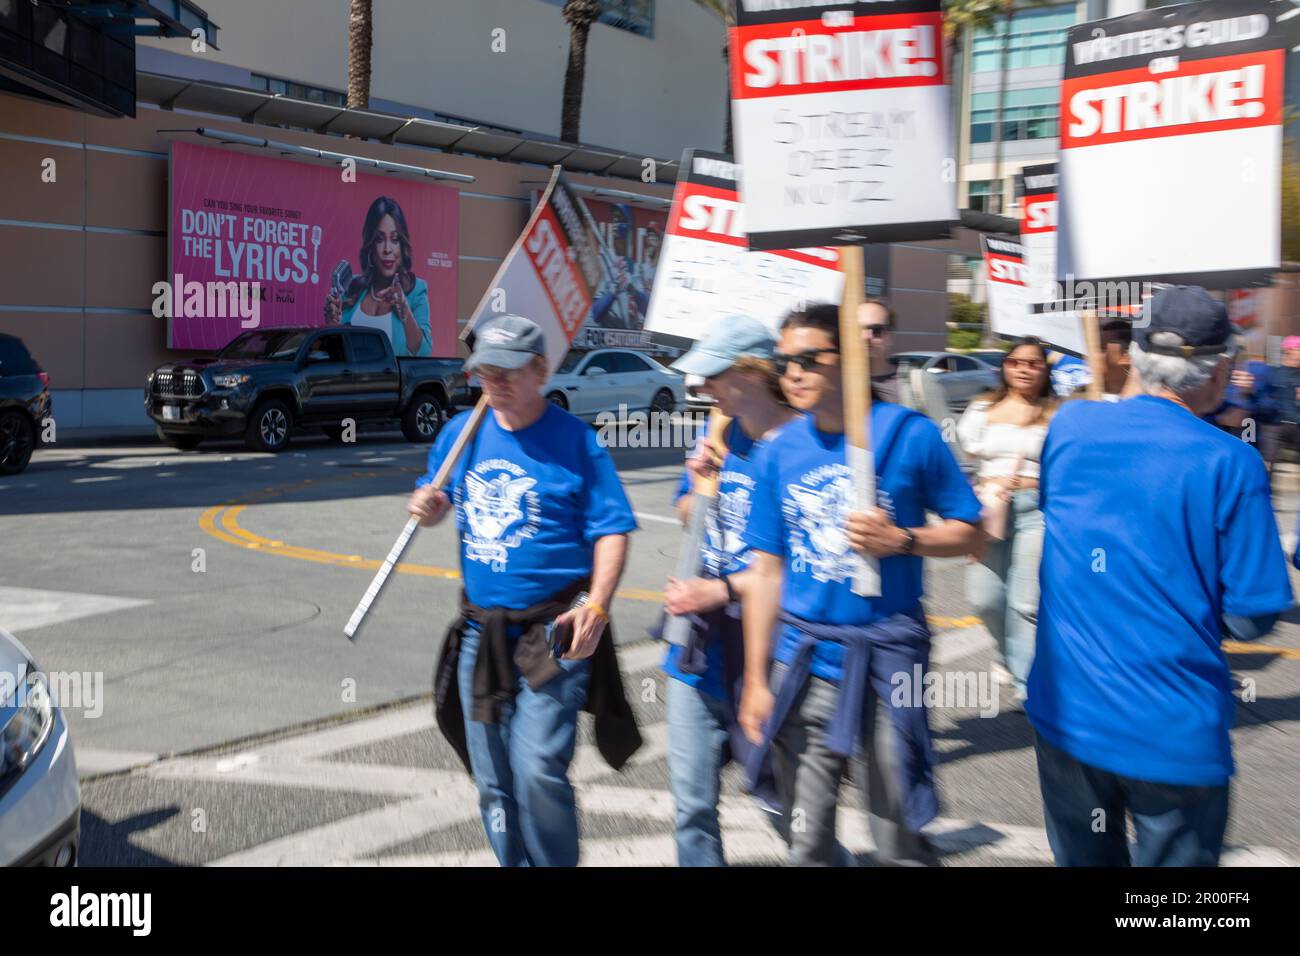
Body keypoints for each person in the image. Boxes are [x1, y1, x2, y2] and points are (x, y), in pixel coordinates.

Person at [1027, 286, 1293, 867]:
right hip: (1171, 729)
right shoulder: (1231, 461)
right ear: (1221, 368)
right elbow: (1251, 617)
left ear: (1137, 355)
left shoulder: (1070, 429)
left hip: (1067, 711)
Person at [737, 303, 982, 866]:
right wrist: (755, 678)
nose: (792, 373)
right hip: (805, 657)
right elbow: (765, 570)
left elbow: (971, 533)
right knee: (807, 836)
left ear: (849, 360)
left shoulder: (909, 434)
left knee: (897, 832)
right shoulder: (781, 451)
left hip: (890, 657)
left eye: (807, 359)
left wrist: (903, 541)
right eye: (784, 362)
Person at [409, 314, 641, 866]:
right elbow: (433, 500)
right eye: (485, 370)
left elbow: (611, 528)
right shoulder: (460, 434)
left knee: (537, 766)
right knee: (491, 779)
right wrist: (428, 508)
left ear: (542, 369)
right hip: (479, 633)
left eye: (509, 370)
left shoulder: (576, 441)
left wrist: (598, 604)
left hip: (552, 631)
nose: (495, 380)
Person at [655, 316, 797, 866]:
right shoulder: (714, 433)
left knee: (785, 809)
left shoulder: (798, 445)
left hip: (771, 648)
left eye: (713, 376)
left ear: (751, 372)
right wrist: (698, 483)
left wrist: (722, 592)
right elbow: (689, 516)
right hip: (698, 645)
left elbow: (794, 566)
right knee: (692, 806)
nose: (703, 388)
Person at [957, 337, 1058, 708]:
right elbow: (966, 462)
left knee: (1025, 603)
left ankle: (1026, 682)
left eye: (1034, 363)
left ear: (1045, 370)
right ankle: (1004, 652)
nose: (1025, 369)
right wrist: (977, 491)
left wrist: (1036, 481)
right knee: (983, 599)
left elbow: (1068, 467)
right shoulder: (982, 407)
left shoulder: (1058, 412)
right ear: (1005, 366)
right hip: (989, 510)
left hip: (1037, 511)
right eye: (1017, 362)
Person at [324, 196, 433, 357]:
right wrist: (332, 325)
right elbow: (334, 352)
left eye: (395, 240)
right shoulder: (352, 287)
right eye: (379, 239)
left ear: (402, 246)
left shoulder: (417, 290)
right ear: (370, 245)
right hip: (353, 381)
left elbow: (424, 353)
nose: (387, 249)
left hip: (392, 382)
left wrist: (404, 308)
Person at [857, 298, 899, 403]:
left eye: (876, 330)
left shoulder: (912, 387)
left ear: (889, 336)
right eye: (857, 329)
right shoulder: (834, 384)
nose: (866, 336)